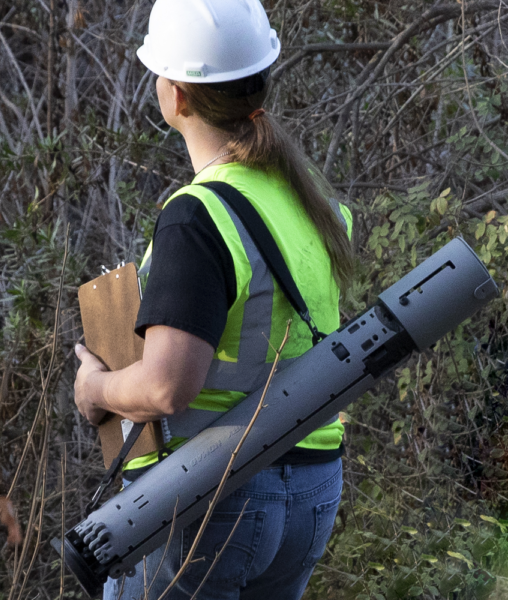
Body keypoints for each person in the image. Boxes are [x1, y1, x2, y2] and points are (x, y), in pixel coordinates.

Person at [74, 0, 353, 598]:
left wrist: (94, 389)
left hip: (213, 498)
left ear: (175, 95)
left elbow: (165, 388)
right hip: (311, 490)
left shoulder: (197, 216)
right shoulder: (312, 203)